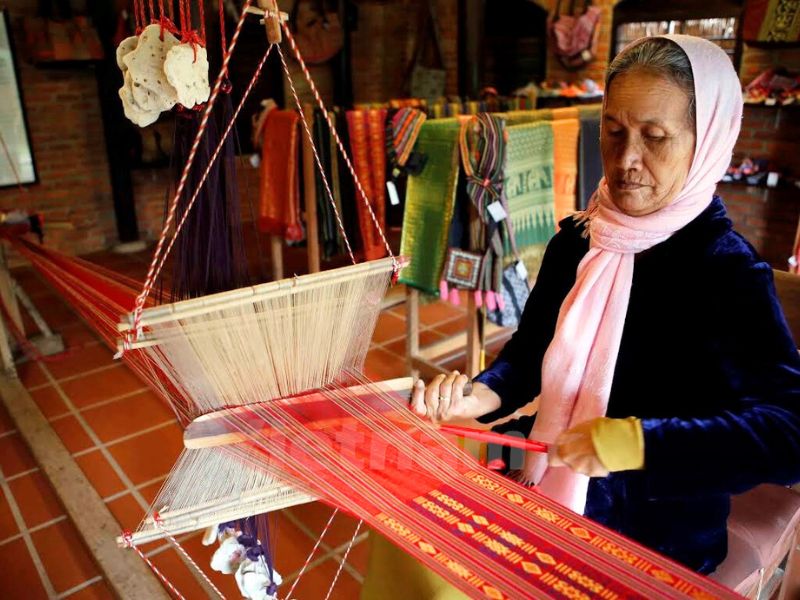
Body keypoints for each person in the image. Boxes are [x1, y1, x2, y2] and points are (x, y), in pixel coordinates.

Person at [406, 33, 800, 581]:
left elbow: (788, 433)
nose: (626, 160)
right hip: (556, 509)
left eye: (656, 137)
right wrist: (481, 395)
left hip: (662, 540)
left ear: (706, 139)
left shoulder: (725, 270)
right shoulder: (578, 239)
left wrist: (637, 444)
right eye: (613, 132)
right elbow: (529, 354)